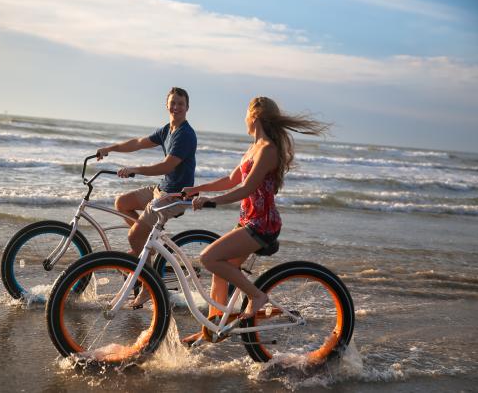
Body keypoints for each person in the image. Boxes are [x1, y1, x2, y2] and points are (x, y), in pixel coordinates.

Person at [182, 96, 329, 341]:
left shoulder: (268, 150)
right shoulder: (253, 148)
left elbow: (247, 188)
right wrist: (199, 189)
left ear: (255, 116)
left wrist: (212, 202)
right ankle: (212, 329)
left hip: (262, 225)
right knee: (220, 270)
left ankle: (258, 296)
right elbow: (231, 180)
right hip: (248, 220)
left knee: (208, 258)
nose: (244, 119)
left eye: (246, 114)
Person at [96, 87, 197, 307]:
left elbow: (167, 165)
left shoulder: (185, 134)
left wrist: (135, 169)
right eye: (173, 103)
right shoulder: (167, 130)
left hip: (174, 196)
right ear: (167, 105)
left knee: (134, 237)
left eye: (180, 103)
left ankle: (148, 287)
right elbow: (139, 142)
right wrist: (110, 148)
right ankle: (147, 243)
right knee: (122, 203)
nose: (176, 107)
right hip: (161, 189)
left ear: (187, 107)